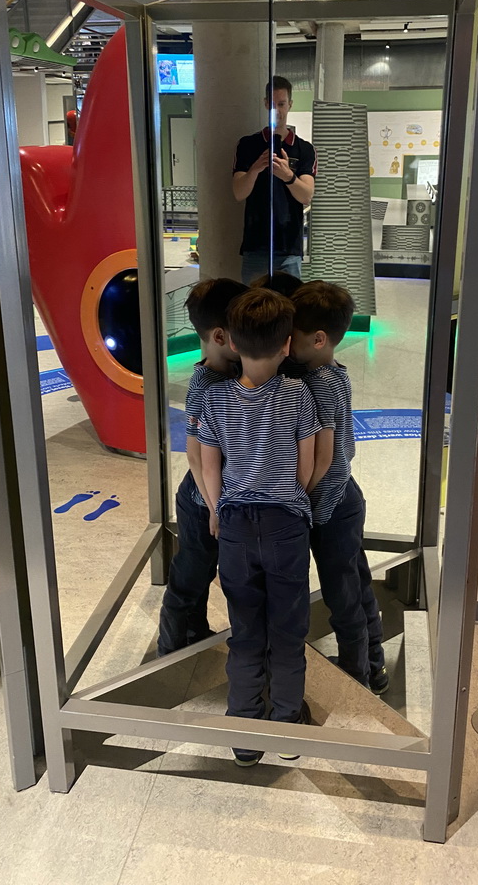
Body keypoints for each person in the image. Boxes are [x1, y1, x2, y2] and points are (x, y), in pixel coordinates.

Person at [198, 288, 320, 766]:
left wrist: (216, 508)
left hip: (234, 526)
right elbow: (306, 468)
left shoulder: (215, 400)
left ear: (233, 344)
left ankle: (245, 731)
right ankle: (287, 725)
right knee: (288, 630)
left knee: (245, 629)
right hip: (285, 523)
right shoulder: (299, 395)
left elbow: (210, 468)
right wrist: (291, 499)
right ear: (287, 344)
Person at [290, 280, 389, 694]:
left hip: (330, 502)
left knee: (342, 593)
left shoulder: (320, 384)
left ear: (317, 339)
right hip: (344, 494)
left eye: (290, 338)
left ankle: (358, 674)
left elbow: (326, 455)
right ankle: (374, 663)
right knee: (356, 581)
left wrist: (305, 501)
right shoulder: (329, 373)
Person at [156, 277, 248, 656]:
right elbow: (195, 455)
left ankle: (195, 631)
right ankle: (171, 645)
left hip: (216, 500)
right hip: (201, 503)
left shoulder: (232, 373)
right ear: (222, 336)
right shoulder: (206, 383)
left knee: (204, 571)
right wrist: (214, 506)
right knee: (191, 575)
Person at [232, 76, 316, 284]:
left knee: (288, 310)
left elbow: (306, 196)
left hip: (289, 247)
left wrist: (288, 176)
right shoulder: (248, 145)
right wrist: (255, 169)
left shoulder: (304, 149)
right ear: (264, 104)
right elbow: (239, 193)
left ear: (290, 105)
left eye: (281, 104)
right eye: (271, 104)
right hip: (255, 245)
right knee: (251, 309)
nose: (276, 110)